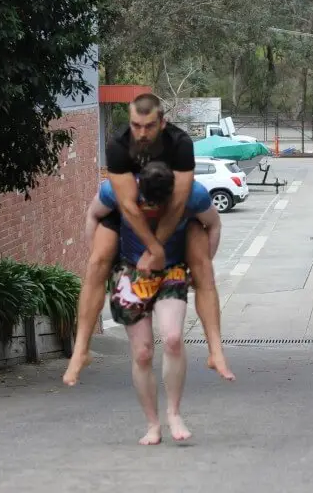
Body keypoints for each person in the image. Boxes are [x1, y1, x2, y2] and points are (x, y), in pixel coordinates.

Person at [63, 93, 234, 386]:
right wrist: (112, 260)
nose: (141, 133)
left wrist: (196, 265)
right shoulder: (119, 145)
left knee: (203, 264)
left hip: (175, 208)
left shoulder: (180, 145)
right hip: (128, 211)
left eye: (149, 126)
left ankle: (215, 350)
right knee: (96, 262)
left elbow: (181, 204)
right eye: (135, 125)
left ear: (162, 123)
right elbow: (125, 207)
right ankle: (81, 350)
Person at [101, 161, 221, 444]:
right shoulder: (115, 190)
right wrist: (100, 263)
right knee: (142, 352)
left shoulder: (193, 194)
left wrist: (199, 268)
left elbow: (213, 224)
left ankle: (174, 413)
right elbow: (93, 217)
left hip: (171, 269)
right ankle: (152, 424)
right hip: (131, 270)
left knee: (173, 339)